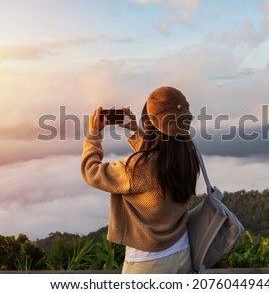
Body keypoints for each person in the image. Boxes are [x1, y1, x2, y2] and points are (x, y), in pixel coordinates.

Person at [81, 86, 200, 274]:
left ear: (149, 122)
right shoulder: (188, 156)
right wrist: (134, 130)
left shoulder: (138, 168)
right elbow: (156, 162)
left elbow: (91, 171)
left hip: (148, 263)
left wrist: (93, 135)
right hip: (182, 253)